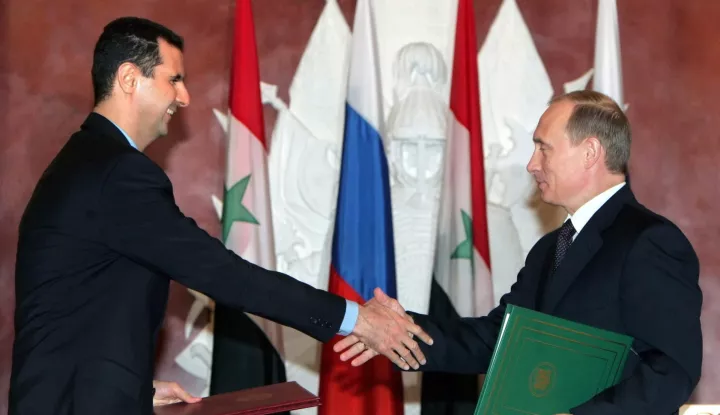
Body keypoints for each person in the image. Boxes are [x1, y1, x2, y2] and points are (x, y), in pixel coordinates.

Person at [8, 16, 432, 415]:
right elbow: (223, 274)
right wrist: (356, 319)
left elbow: (75, 309)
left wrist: (135, 389)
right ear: (128, 78)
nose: (184, 97)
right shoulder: (118, 173)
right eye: (174, 80)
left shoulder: (85, 162)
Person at [336, 90, 703, 414]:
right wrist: (402, 331)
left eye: (544, 147)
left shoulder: (649, 240)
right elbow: (498, 340)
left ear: (590, 152)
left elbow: (671, 371)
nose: (532, 164)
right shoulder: (549, 248)